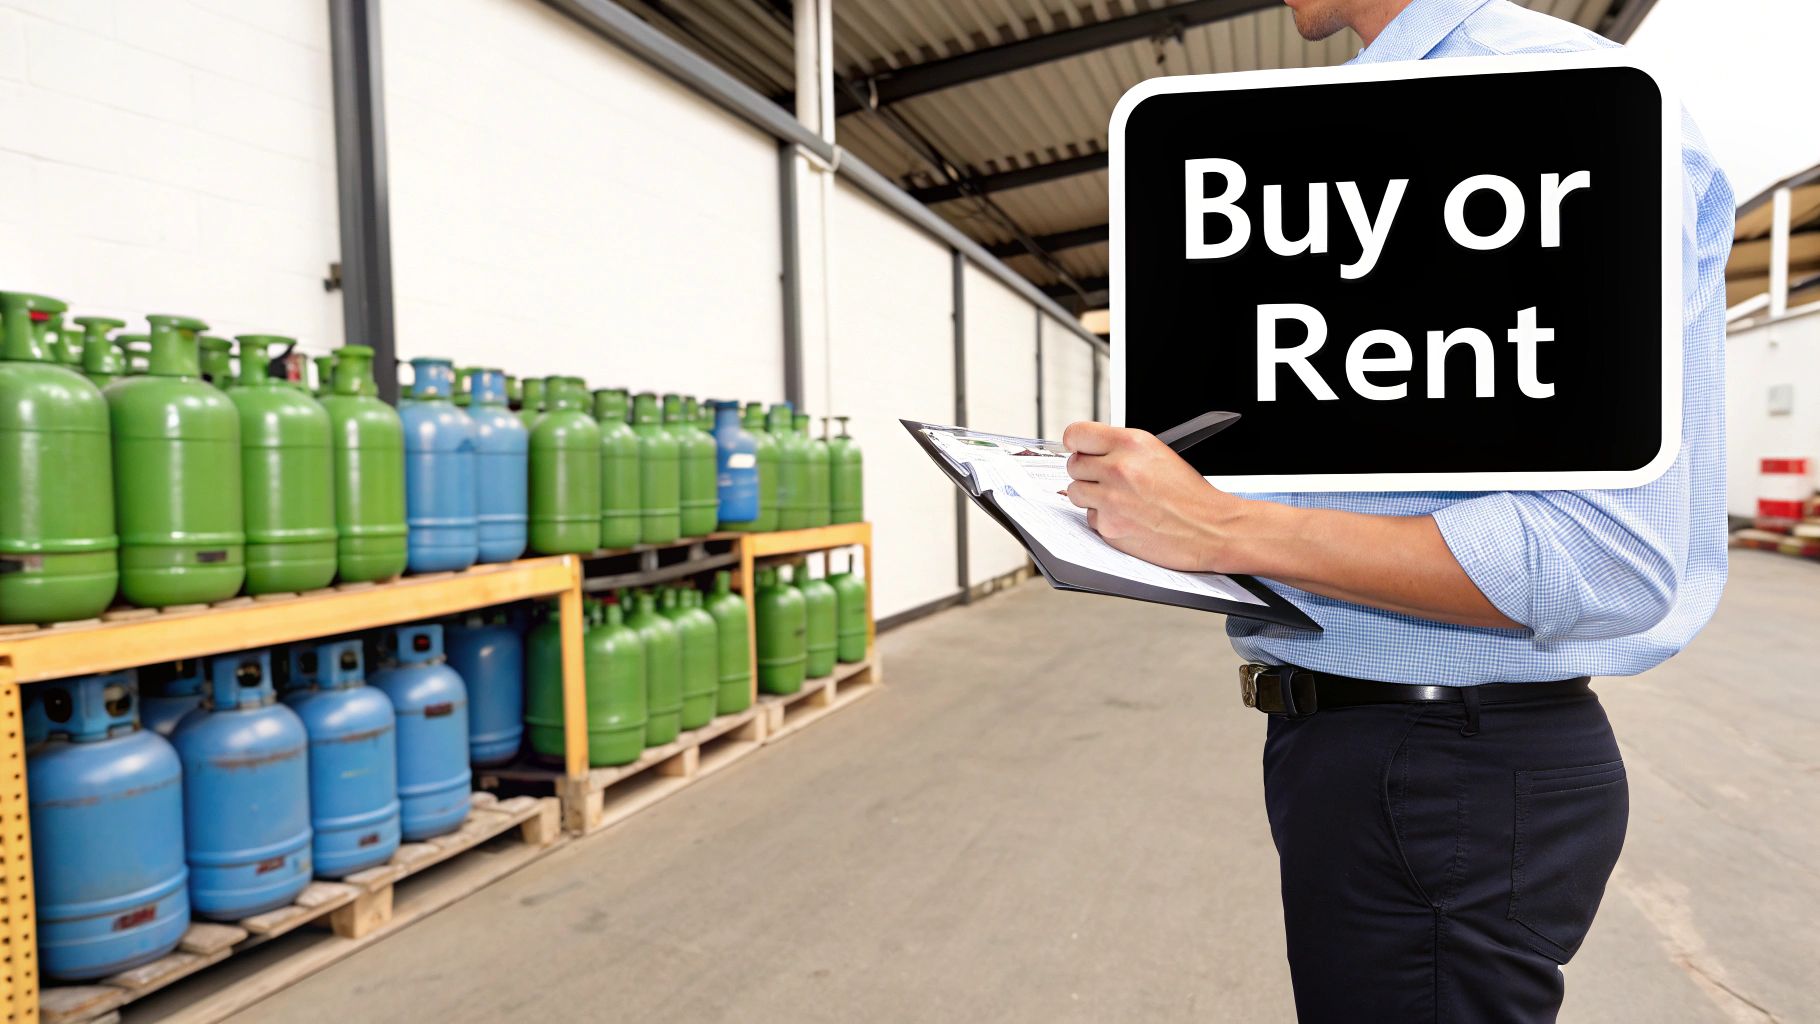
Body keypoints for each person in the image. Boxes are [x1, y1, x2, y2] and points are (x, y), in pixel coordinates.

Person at [1062, 0, 1734, 1020]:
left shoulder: (1539, 100)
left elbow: (1603, 556)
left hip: (1441, 775)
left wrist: (1223, 528)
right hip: (1374, 759)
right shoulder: (1378, 123)